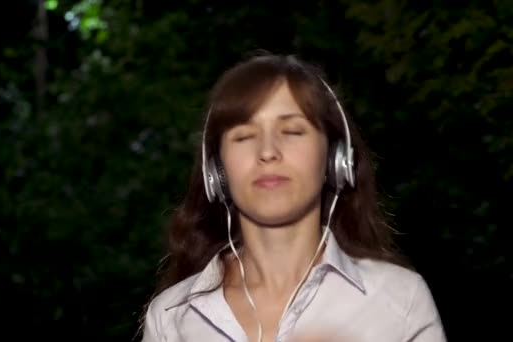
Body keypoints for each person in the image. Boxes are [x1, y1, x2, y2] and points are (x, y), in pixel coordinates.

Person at [139, 52, 446, 342]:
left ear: (334, 160)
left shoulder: (399, 299)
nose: (268, 152)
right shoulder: (170, 318)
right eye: (244, 136)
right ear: (216, 174)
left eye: (292, 131)